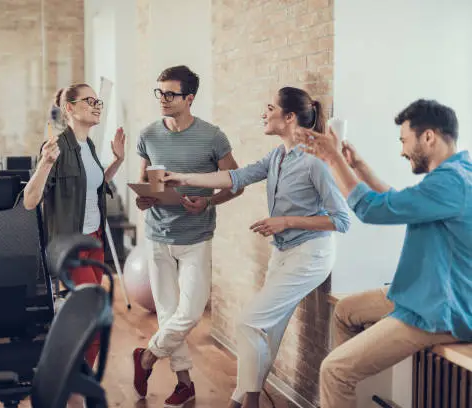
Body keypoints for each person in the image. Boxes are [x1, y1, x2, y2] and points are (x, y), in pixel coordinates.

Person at [163, 86, 351, 408]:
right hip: (283, 252)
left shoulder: (315, 162)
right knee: (267, 329)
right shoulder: (278, 156)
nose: (263, 113)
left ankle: (248, 402)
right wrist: (181, 177)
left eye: (269, 107)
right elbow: (235, 177)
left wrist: (286, 221)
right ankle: (241, 401)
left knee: (248, 321)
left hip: (311, 255)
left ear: (289, 117)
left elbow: (342, 220)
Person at [298, 99, 472, 408]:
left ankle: (344, 385)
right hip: (425, 293)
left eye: (405, 140)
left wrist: (333, 158)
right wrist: (358, 168)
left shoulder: (452, 183)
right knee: (346, 310)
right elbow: (396, 202)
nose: (402, 150)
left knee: (335, 370)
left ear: (428, 137)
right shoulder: (457, 174)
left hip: (440, 311)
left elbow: (371, 209)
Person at [132, 65, 242, 408]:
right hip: (157, 237)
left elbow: (235, 182)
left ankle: (146, 358)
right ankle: (185, 385)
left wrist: (208, 200)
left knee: (190, 312)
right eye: (159, 92)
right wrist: (144, 198)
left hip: (195, 237)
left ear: (189, 98)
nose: (163, 99)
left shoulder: (212, 137)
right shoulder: (148, 134)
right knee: (167, 314)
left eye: (170, 94)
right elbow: (144, 190)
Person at [23, 83, 126, 372]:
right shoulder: (57, 147)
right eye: (88, 100)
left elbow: (92, 186)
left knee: (97, 315)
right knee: (91, 314)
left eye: (98, 101)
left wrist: (117, 160)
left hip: (93, 242)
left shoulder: (89, 146)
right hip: (69, 245)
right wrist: (45, 163)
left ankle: (77, 382)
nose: (96, 105)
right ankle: (72, 384)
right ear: (69, 108)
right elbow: (30, 202)